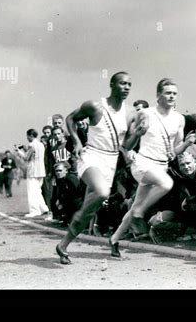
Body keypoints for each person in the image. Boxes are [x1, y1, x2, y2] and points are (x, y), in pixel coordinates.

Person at [109, 78, 196, 257]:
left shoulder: (179, 119)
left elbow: (175, 150)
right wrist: (131, 148)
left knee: (134, 207)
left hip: (160, 167)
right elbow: (127, 143)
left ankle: (115, 239)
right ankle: (141, 211)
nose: (171, 96)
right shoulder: (145, 114)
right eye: (167, 93)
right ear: (158, 95)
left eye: (174, 93)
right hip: (143, 164)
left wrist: (187, 144)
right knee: (166, 184)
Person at [55, 72, 135, 264]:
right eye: (123, 83)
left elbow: (127, 144)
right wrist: (76, 141)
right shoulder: (94, 106)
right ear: (112, 84)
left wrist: (138, 135)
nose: (126, 87)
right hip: (91, 156)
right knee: (101, 192)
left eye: (130, 84)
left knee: (94, 208)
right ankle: (93, 229)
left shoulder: (130, 113)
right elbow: (70, 118)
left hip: (112, 161)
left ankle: (63, 245)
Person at [14, 129, 49, 217]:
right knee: (38, 191)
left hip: (33, 171)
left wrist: (18, 151)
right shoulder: (41, 144)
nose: (27, 138)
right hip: (41, 171)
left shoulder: (31, 145)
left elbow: (26, 157)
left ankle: (34, 211)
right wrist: (24, 148)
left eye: (27, 136)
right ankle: (43, 208)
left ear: (30, 136)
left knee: (32, 192)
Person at [53, 161, 84, 226]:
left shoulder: (71, 179)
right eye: (56, 171)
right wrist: (59, 201)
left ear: (66, 171)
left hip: (79, 201)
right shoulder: (59, 180)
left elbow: (78, 193)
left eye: (60, 171)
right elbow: (60, 192)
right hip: (71, 201)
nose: (58, 173)